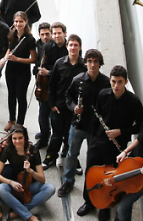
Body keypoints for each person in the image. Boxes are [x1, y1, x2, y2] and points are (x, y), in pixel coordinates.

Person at [77, 66, 143, 221]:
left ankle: (105, 206)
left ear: (126, 82)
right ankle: (89, 201)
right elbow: (96, 117)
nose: (116, 86)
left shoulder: (134, 101)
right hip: (98, 141)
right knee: (91, 172)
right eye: (113, 82)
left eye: (120, 82)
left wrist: (120, 131)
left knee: (110, 178)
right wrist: (93, 138)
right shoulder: (103, 94)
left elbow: (140, 125)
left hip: (117, 145)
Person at [57, 49, 110, 196]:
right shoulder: (78, 80)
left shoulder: (106, 82)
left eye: (96, 62)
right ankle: (68, 182)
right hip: (78, 125)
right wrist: (74, 108)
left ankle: (92, 185)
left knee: (93, 157)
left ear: (100, 63)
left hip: (96, 127)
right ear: (85, 63)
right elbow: (68, 97)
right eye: (90, 61)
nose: (92, 65)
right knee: (72, 154)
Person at [0, 125, 54, 221]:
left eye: (20, 138)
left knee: (50, 189)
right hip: (16, 183)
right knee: (0, 189)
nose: (17, 141)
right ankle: (30, 217)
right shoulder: (8, 150)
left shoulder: (34, 151)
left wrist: (30, 170)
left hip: (30, 185)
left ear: (25, 138)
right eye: (14, 138)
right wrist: (11, 182)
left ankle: (18, 212)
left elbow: (42, 179)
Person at [43, 34, 85, 169]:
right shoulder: (59, 63)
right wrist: (52, 104)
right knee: (56, 135)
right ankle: (50, 158)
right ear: (67, 46)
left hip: (75, 108)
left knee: (71, 136)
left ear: (80, 47)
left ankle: (72, 159)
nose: (73, 47)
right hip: (59, 106)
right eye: (71, 45)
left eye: (76, 45)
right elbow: (52, 85)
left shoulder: (84, 66)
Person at [1, 11, 36, 130]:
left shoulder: (30, 39)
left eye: (21, 21)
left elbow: (33, 59)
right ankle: (11, 120)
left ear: (26, 22)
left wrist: (17, 59)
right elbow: (9, 49)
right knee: (11, 95)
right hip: (10, 70)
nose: (18, 24)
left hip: (23, 72)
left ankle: (20, 123)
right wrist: (4, 58)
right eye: (16, 21)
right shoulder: (11, 34)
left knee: (20, 97)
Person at [33, 22, 54, 148]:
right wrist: (36, 71)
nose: (45, 36)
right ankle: (44, 133)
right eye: (42, 34)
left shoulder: (54, 47)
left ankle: (45, 138)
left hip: (52, 84)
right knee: (42, 114)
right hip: (42, 83)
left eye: (47, 34)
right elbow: (37, 61)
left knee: (45, 115)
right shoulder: (38, 44)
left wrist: (47, 72)